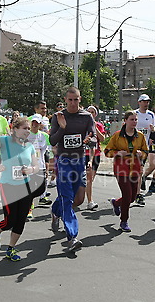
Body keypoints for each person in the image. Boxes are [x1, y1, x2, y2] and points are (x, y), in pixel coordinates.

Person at [0, 117, 40, 261]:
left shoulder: (30, 146)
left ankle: (11, 248)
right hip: (8, 185)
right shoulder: (5, 141)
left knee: (21, 220)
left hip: (25, 186)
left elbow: (37, 166)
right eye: (24, 128)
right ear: (15, 129)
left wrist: (31, 169)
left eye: (28, 128)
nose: (27, 131)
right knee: (10, 220)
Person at [49, 86, 95, 252]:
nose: (73, 103)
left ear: (80, 99)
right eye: (70, 100)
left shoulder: (87, 116)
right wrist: (62, 128)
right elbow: (52, 141)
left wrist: (89, 138)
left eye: (76, 99)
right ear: (65, 100)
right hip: (64, 161)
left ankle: (55, 211)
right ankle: (72, 236)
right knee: (67, 198)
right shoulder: (58, 117)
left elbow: (94, 136)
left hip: (79, 161)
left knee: (79, 199)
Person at [104, 110, 148, 231]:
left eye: (136, 120)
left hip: (135, 168)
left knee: (132, 198)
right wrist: (118, 153)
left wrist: (141, 154)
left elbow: (146, 151)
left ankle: (116, 203)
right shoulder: (117, 135)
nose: (134, 122)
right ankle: (124, 221)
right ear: (125, 121)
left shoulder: (140, 136)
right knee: (127, 195)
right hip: (121, 169)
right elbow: (107, 151)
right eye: (132, 119)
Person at [27, 114, 51, 218]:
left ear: (40, 124)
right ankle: (29, 209)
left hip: (40, 166)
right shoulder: (26, 135)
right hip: (29, 166)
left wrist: (47, 168)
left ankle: (33, 200)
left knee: (41, 188)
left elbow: (46, 153)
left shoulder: (44, 136)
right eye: (33, 122)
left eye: (37, 123)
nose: (34, 124)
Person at [135, 94, 155, 206]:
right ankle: (133, 192)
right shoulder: (135, 114)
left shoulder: (151, 114)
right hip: (133, 147)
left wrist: (153, 129)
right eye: (144, 101)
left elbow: (154, 127)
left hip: (144, 147)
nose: (146, 103)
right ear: (139, 102)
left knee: (139, 171)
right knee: (133, 171)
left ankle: (138, 194)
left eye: (147, 101)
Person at [85, 105, 106, 210]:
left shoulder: (99, 125)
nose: (90, 114)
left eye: (92, 112)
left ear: (96, 114)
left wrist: (95, 127)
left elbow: (102, 139)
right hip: (84, 154)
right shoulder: (82, 125)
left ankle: (87, 199)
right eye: (88, 112)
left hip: (96, 155)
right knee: (87, 179)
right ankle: (90, 201)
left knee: (90, 179)